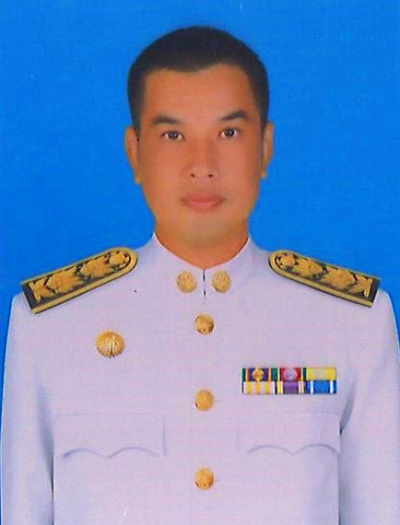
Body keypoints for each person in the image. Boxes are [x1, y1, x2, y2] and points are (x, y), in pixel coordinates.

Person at [1, 26, 399, 525]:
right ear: (135, 152)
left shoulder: (352, 324)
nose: (202, 165)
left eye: (228, 133)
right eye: (173, 135)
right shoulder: (50, 326)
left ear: (266, 147)